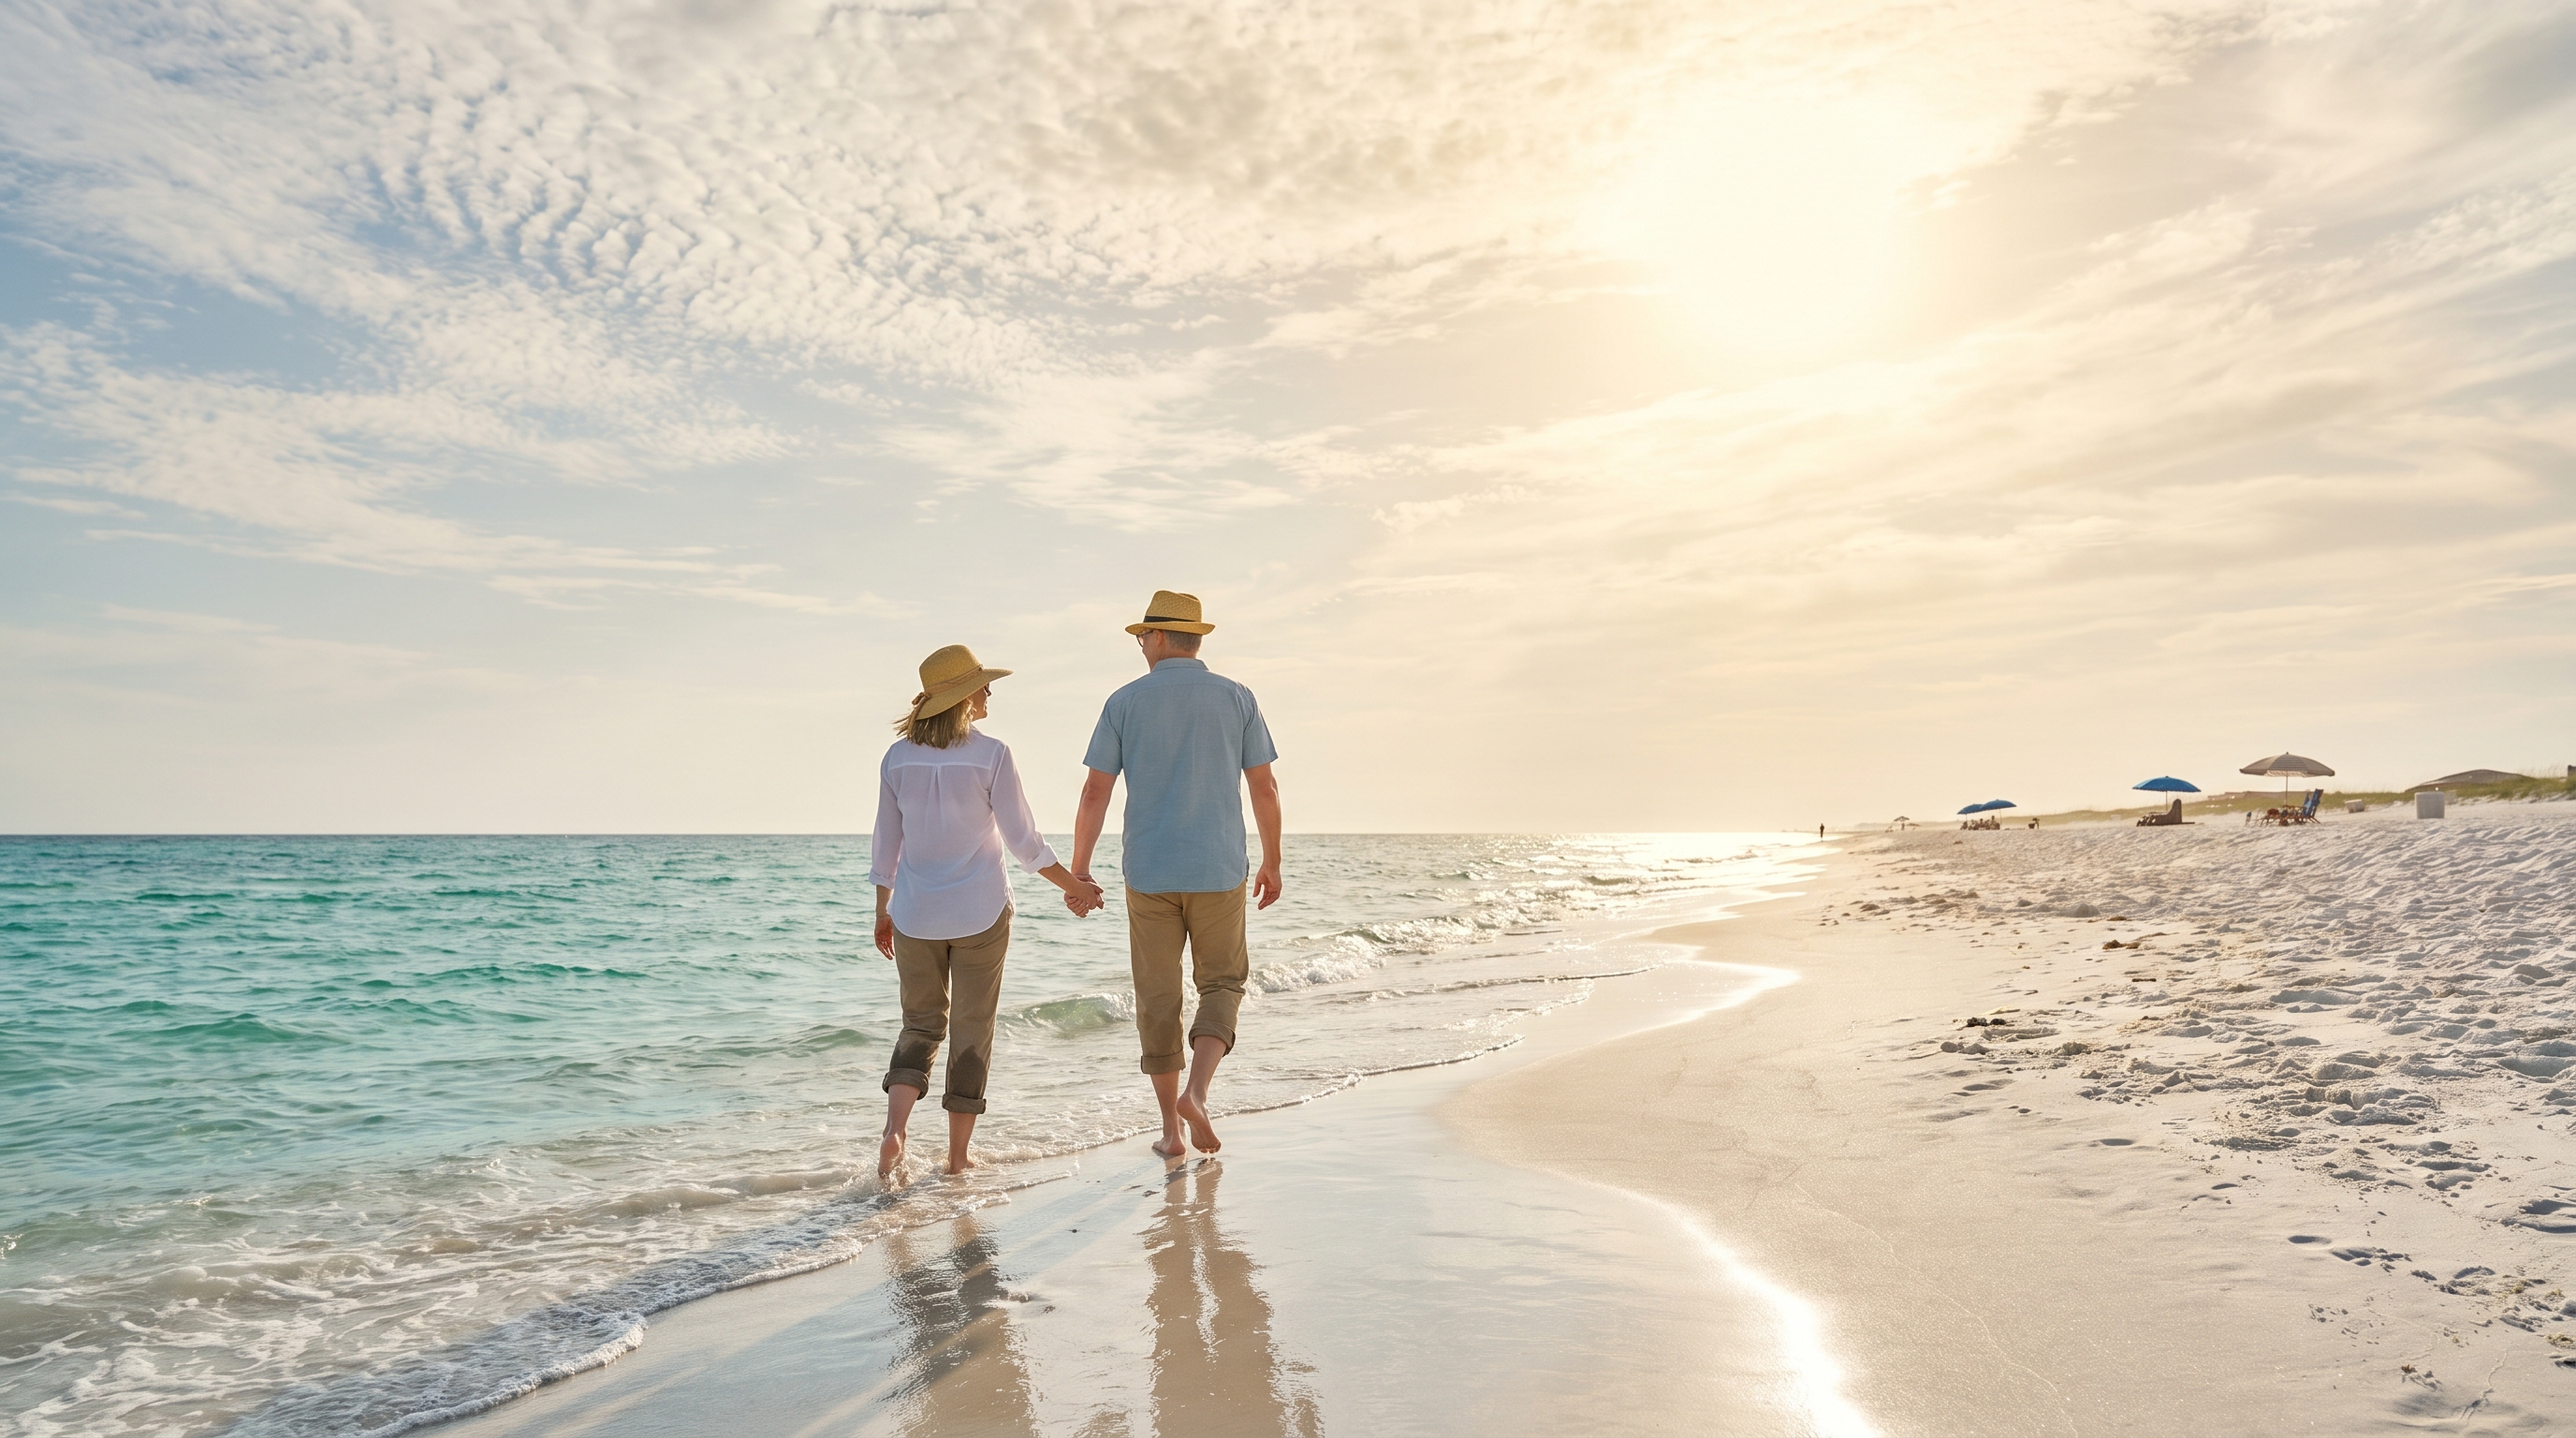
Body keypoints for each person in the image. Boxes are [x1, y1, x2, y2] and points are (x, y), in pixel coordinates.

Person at [871, 644, 1103, 1181]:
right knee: (972, 1030)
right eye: (981, 683)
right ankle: (956, 1158)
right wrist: (1077, 888)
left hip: (912, 914)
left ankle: (895, 1131)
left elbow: (887, 846)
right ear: (960, 697)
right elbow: (1024, 843)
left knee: (919, 1025)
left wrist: (883, 910)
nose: (989, 690)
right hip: (979, 913)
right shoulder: (991, 753)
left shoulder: (896, 758)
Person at [1072, 591, 1281, 1158]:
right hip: (1217, 867)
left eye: (1143, 636)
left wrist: (1080, 870)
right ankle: (1198, 1091)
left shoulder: (1124, 701)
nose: (1140, 646)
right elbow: (1264, 786)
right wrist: (1273, 861)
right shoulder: (1237, 697)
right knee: (1221, 984)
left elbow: (1096, 790)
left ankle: (1171, 1131)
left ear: (1161, 638)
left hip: (1149, 873)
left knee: (1158, 998)